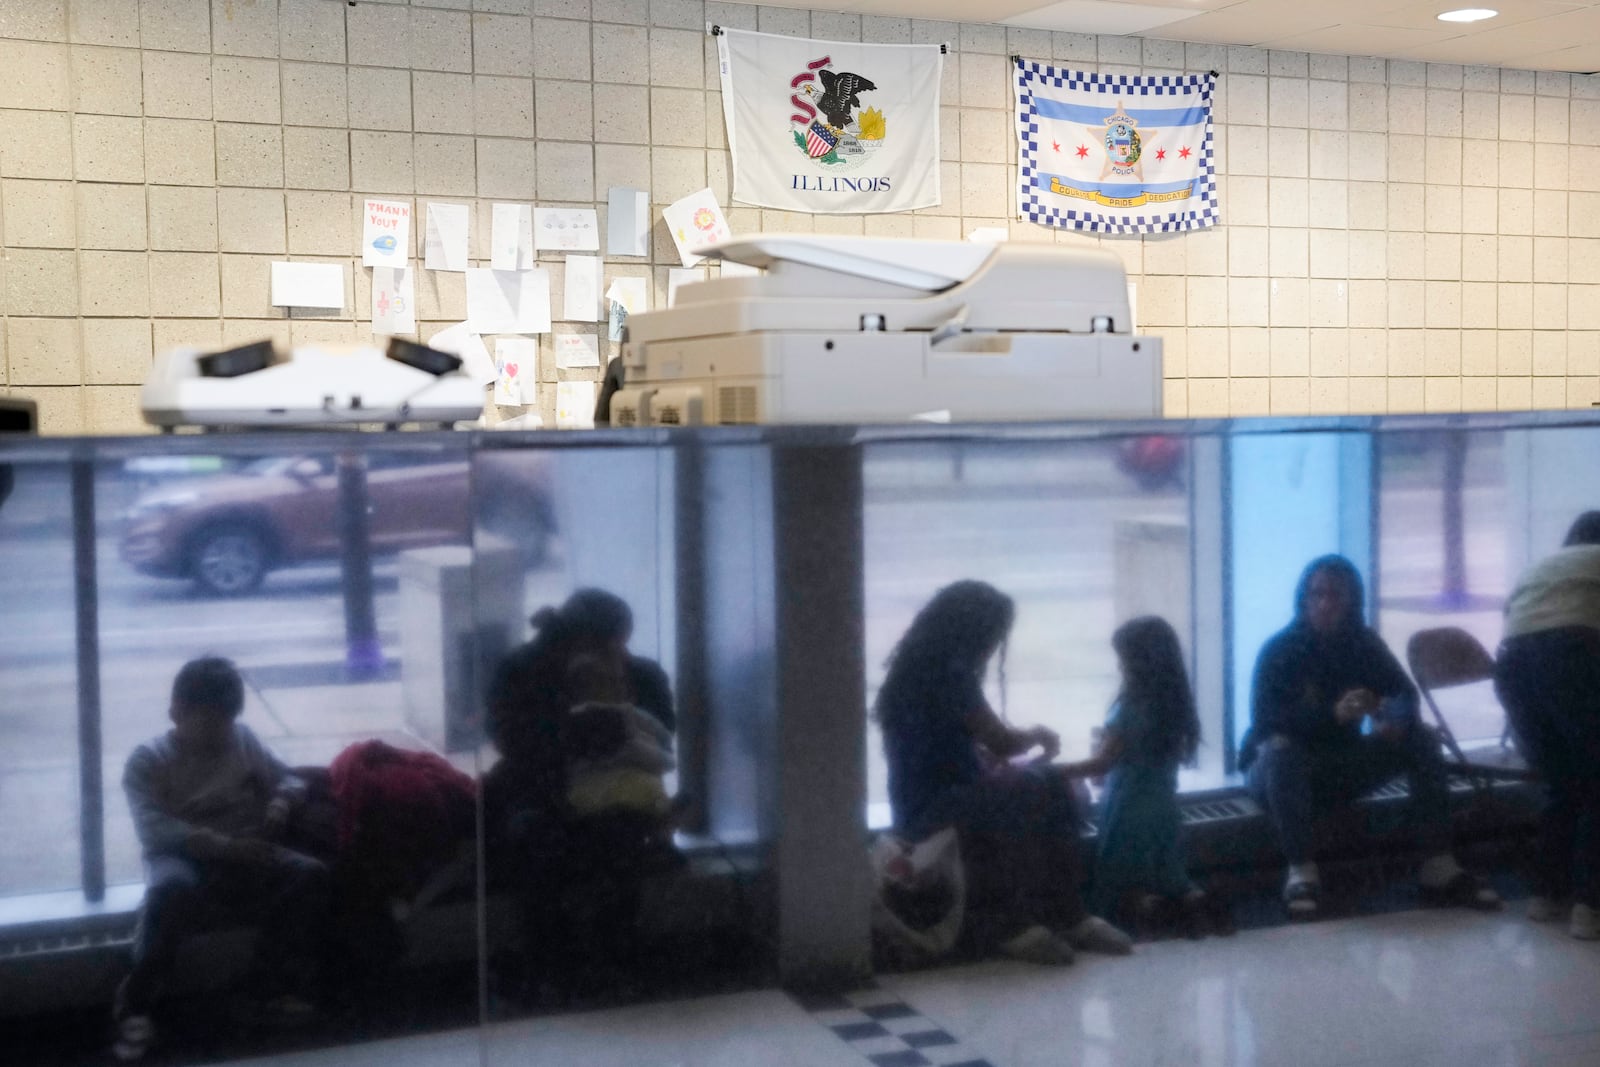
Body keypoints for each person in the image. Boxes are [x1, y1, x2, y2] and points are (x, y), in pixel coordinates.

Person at [876, 580, 1131, 966]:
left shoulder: (912, 671)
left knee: (1036, 785)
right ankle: (1042, 917)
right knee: (1042, 784)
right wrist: (1038, 737)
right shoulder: (952, 675)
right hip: (940, 808)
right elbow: (1001, 741)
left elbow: (944, 745)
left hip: (922, 805)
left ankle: (1053, 917)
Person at [1241, 555, 1500, 919]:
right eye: (1317, 594)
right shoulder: (1280, 650)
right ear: (1304, 599)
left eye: (1336, 596)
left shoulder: (1362, 644)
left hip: (1340, 762)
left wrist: (1389, 716)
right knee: (1284, 752)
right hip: (1276, 771)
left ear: (1351, 602)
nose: (1325, 604)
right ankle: (1300, 870)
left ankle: (1437, 863)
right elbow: (1266, 723)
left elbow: (1404, 694)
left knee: (1422, 738)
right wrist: (1333, 714)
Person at [114, 657, 330, 1062]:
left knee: (311, 876)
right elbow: (154, 829)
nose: (219, 736)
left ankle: (264, 983)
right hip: (183, 853)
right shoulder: (149, 760)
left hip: (245, 846)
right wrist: (222, 845)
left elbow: (289, 776)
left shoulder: (242, 740)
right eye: (209, 724)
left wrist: (281, 801)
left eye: (226, 724)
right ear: (176, 713)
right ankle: (137, 998)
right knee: (170, 889)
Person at [1064, 617, 1210, 936]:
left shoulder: (1128, 708)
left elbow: (1102, 764)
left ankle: (1146, 909)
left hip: (1127, 808)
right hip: (1164, 808)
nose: (1120, 668)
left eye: (1122, 660)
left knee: (1123, 881)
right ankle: (1194, 901)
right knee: (1170, 874)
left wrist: (1054, 771)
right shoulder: (1174, 707)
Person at [1495, 511, 1600, 939]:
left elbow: (1513, 620)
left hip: (1513, 665)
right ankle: (1590, 906)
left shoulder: (1542, 567)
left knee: (1563, 781)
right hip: (1571, 655)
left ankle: (1545, 894)